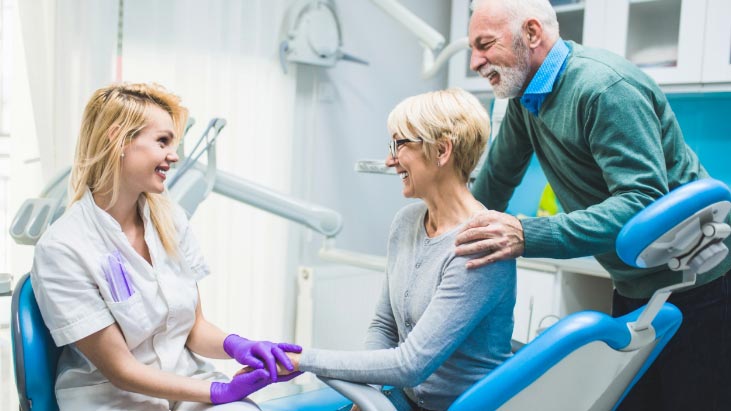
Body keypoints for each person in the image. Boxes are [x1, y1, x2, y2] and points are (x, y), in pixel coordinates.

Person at [454, 0, 731, 410]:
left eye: (485, 44)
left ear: (531, 34)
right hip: (634, 285)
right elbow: (494, 184)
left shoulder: (603, 89)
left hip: (701, 286)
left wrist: (526, 233)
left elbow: (641, 203)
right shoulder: (527, 102)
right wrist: (445, 231)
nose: (476, 61)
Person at [31, 82, 301, 411]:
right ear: (117, 139)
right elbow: (121, 370)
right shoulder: (63, 248)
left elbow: (193, 327)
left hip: (186, 383)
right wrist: (219, 391)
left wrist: (239, 346)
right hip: (114, 398)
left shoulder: (171, 221)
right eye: (163, 142)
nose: (174, 156)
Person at [284, 88, 516, 411]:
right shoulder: (406, 223)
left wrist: (302, 359)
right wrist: (368, 394)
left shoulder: (480, 244)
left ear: (442, 150)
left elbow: (411, 364)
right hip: (404, 401)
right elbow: (384, 325)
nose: (391, 160)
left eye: (400, 144)